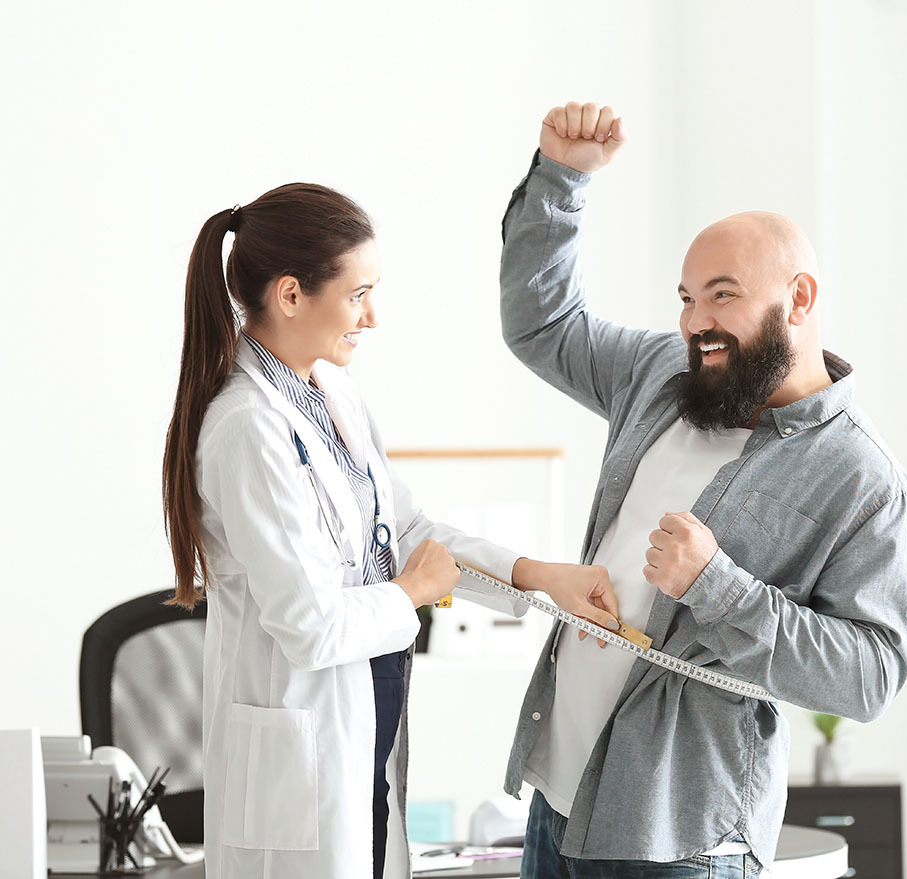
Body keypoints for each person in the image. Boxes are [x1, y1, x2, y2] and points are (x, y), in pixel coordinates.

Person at [497, 103, 907, 878]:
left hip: (676, 841)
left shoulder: (864, 482)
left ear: (798, 300)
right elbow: (541, 323)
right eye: (688, 297)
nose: (697, 321)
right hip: (555, 805)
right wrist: (561, 180)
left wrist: (717, 588)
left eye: (722, 295)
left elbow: (870, 676)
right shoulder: (660, 374)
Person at [161, 182, 620, 879]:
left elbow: (406, 532)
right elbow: (309, 623)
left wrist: (537, 575)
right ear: (290, 295)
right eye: (358, 294)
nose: (372, 316)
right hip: (301, 766)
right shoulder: (246, 428)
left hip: (363, 724)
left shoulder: (333, 393)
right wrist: (409, 594)